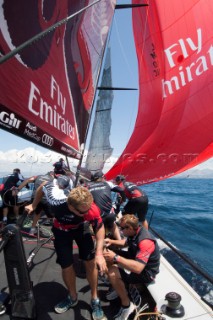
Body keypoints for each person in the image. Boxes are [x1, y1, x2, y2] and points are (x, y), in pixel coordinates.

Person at [25, 183, 107, 320]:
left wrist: (99, 253)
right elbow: (43, 185)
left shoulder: (90, 209)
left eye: (88, 209)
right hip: (61, 230)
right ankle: (72, 297)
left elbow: (99, 227)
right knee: (66, 265)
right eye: (82, 212)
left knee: (90, 262)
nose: (87, 213)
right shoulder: (56, 199)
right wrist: (34, 204)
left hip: (81, 228)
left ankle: (95, 298)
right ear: (70, 206)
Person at [103, 214, 160, 320]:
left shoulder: (145, 241)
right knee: (107, 255)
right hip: (134, 258)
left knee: (112, 272)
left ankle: (126, 305)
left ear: (129, 228)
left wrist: (116, 258)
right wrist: (111, 241)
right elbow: (126, 242)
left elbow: (138, 268)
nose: (120, 230)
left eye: (122, 228)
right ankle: (118, 286)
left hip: (146, 272)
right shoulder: (135, 231)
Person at [87, 171, 124, 240]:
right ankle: (120, 241)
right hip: (110, 215)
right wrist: (123, 199)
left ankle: (102, 245)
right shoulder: (107, 183)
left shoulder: (89, 187)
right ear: (103, 177)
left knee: (99, 230)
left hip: (98, 216)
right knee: (112, 224)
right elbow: (121, 190)